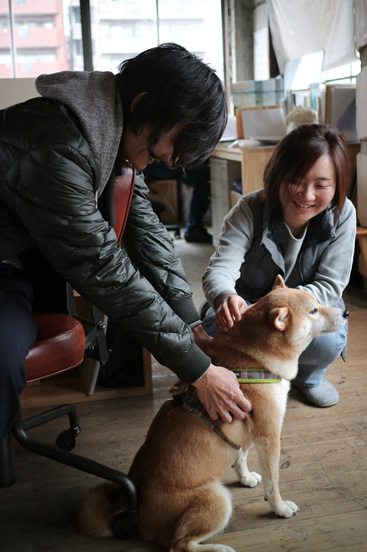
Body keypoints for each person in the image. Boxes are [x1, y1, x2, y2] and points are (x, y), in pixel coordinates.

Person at [0, 43, 251, 444]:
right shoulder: (57, 144)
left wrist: (190, 326)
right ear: (144, 104)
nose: (171, 160)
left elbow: (150, 235)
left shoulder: (111, 138)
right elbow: (102, 265)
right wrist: (199, 371)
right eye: (176, 142)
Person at [201, 123, 356, 408]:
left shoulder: (343, 214)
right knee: (212, 327)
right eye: (296, 180)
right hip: (249, 309)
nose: (307, 195)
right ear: (277, 174)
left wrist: (282, 310)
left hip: (304, 313)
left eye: (321, 185)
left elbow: (331, 285)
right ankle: (244, 378)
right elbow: (220, 269)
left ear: (336, 186)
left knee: (327, 341)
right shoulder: (249, 209)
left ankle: (307, 377)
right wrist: (226, 296)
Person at [143, 159, 212, 243]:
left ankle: (194, 229)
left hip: (150, 164)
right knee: (203, 175)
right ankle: (194, 228)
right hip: (152, 163)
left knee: (198, 173)